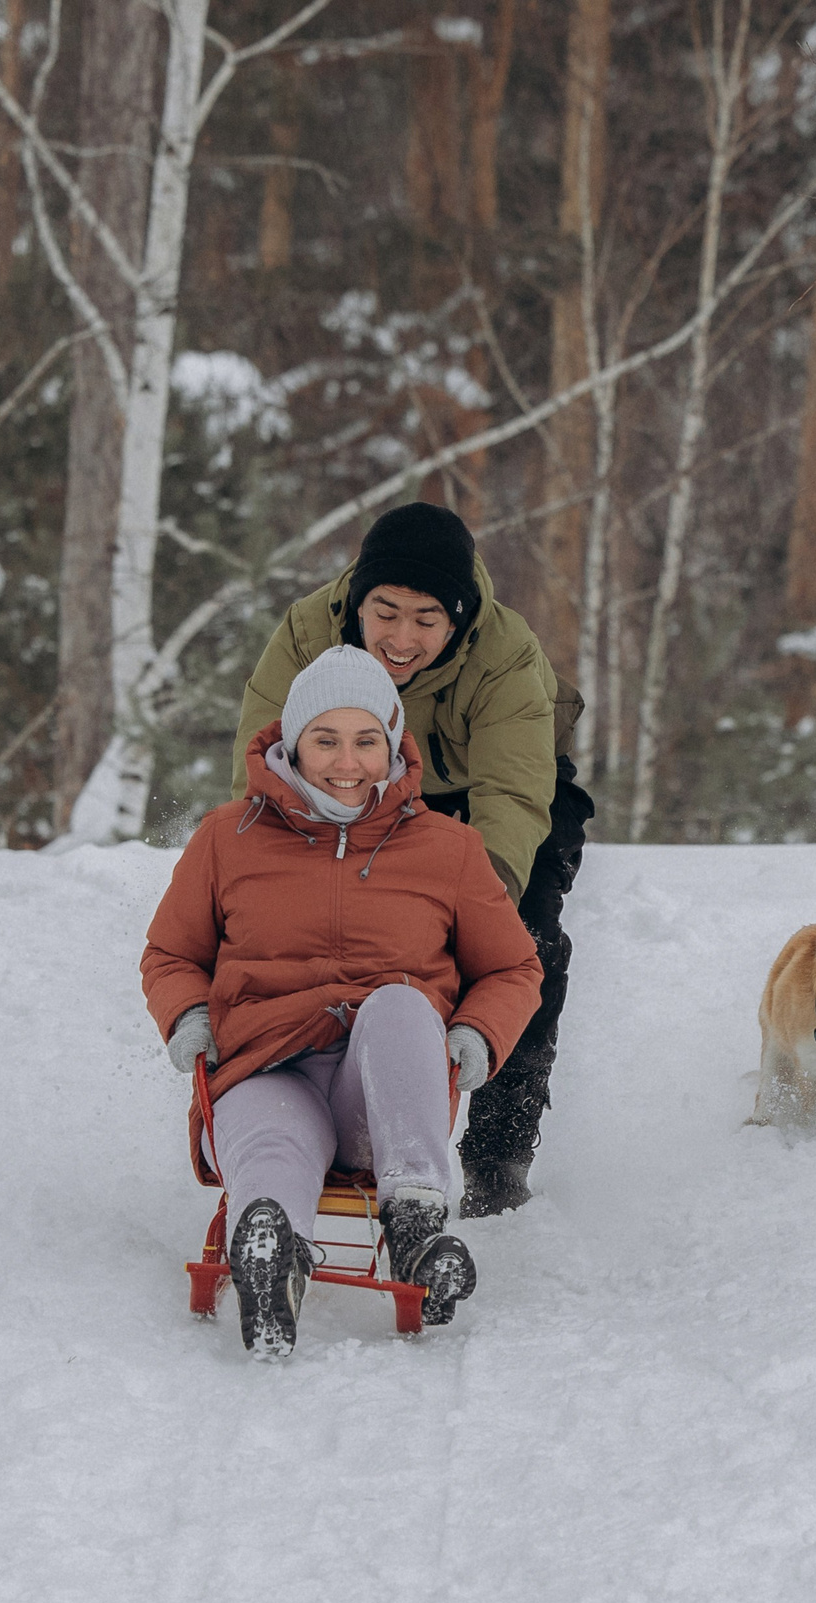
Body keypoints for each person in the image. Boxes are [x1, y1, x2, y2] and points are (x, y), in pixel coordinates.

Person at [145, 646, 543, 1358]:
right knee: (272, 1142)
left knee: (398, 1003)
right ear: (292, 743)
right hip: (265, 1066)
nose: (347, 762)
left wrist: (477, 1034)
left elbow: (513, 965)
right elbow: (172, 954)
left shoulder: (447, 849)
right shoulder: (225, 838)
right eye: (325, 739)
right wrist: (188, 1017)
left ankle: (417, 1226)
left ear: (392, 743)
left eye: (366, 740)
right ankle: (273, 1247)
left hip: (382, 1092)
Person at [232, 501, 591, 1216]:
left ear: (458, 620)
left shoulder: (506, 656)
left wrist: (461, 923)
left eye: (426, 619)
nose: (401, 637)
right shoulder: (308, 633)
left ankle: (496, 1154)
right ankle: (309, 1098)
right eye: (385, 612)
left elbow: (513, 801)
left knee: (519, 948)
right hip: (354, 785)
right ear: (357, 602)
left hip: (480, 798)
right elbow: (262, 766)